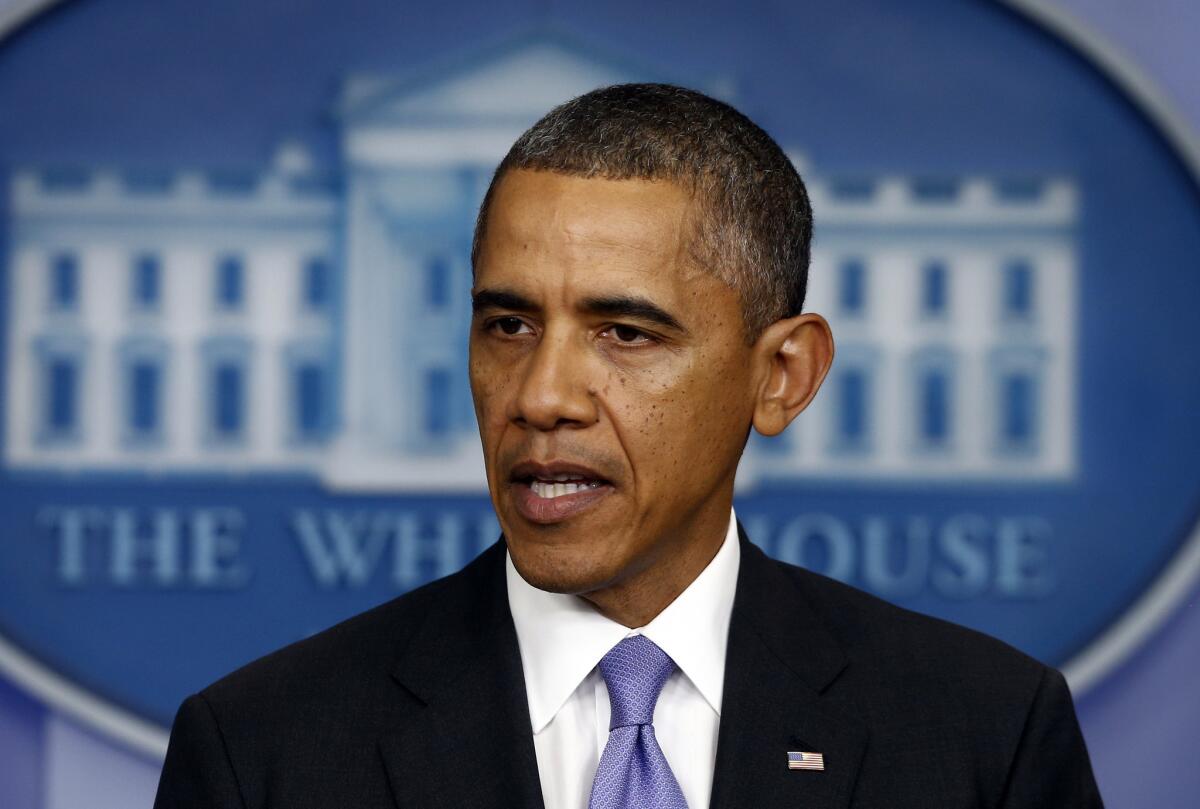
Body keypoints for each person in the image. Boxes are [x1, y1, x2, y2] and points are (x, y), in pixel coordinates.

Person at [154, 84, 1103, 809]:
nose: (543, 396)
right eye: (510, 326)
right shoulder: (260, 752)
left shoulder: (986, 739)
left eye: (626, 333)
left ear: (782, 375)